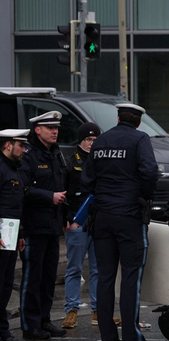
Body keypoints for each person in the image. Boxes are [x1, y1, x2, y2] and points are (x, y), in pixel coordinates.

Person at [82, 103, 159, 341]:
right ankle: (131, 337)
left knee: (105, 277)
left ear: (118, 118)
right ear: (137, 121)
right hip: (129, 217)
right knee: (130, 277)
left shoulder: (101, 141)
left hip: (102, 217)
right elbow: (149, 172)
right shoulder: (139, 139)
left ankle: (108, 339)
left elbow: (87, 178)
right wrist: (143, 197)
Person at [19, 111, 68, 340]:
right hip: (34, 225)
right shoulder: (28, 155)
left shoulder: (55, 154)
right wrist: (49, 197)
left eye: (56, 127)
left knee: (48, 276)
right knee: (33, 276)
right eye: (49, 127)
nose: (55, 131)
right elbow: (22, 189)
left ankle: (44, 319)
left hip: (52, 225)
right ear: (37, 130)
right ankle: (30, 324)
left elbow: (62, 184)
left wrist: (65, 216)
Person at [61, 123, 101, 329]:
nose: (91, 144)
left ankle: (97, 310)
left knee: (98, 269)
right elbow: (64, 191)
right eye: (88, 140)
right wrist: (67, 218)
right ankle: (71, 310)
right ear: (81, 141)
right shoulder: (71, 162)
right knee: (74, 267)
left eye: (95, 140)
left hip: (98, 221)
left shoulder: (101, 161)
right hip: (78, 220)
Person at [0, 129, 30, 341]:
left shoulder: (15, 169)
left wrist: (19, 235)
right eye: (21, 145)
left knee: (5, 285)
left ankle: (3, 331)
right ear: (8, 145)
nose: (24, 150)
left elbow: (16, 206)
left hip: (10, 234)